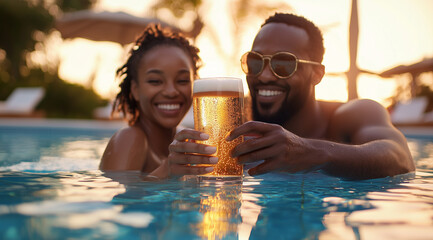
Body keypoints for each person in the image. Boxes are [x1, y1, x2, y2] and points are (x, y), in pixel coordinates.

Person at [167, 13, 415, 180]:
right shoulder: (231, 126)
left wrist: (312, 152)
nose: (264, 76)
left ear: (317, 74)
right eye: (255, 62)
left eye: (283, 64)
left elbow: (400, 157)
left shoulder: (350, 116)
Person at [99, 24, 201, 173]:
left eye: (183, 80)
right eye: (155, 81)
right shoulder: (128, 139)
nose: (171, 91)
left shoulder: (186, 141)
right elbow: (121, 195)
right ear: (135, 90)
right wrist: (167, 171)